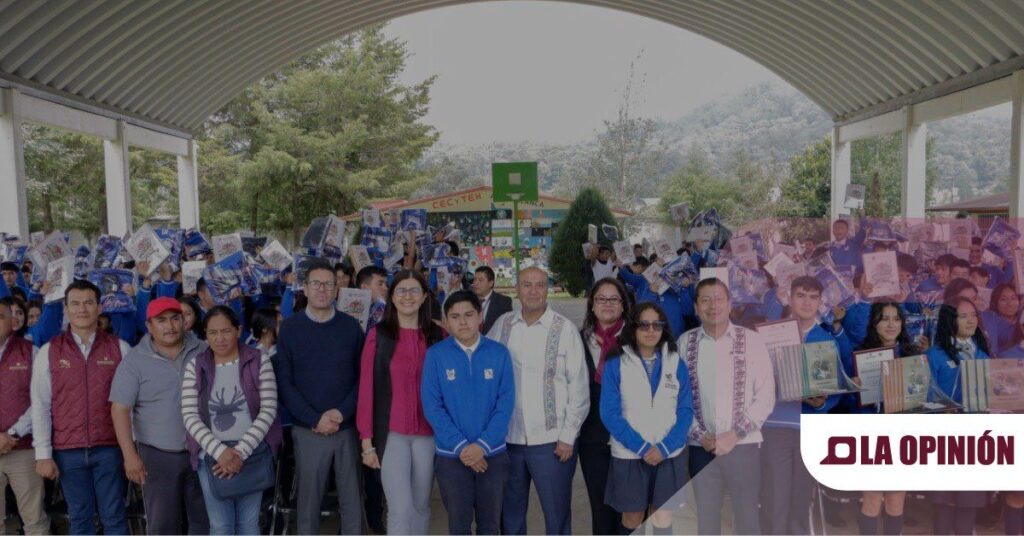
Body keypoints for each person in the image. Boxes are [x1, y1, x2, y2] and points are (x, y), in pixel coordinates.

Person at [488, 267, 588, 534]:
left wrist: (568, 436)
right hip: (509, 440)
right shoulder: (502, 325)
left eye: (540, 285)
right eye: (527, 284)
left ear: (548, 289)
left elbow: (579, 388)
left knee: (556, 514)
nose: (533, 290)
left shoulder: (565, 329)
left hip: (553, 443)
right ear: (517, 289)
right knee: (510, 513)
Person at [31, 280, 131, 535]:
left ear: (99, 307)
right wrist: (43, 453)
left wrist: (132, 448)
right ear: (65, 309)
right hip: (68, 451)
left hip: (109, 448)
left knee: (115, 518)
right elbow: (41, 404)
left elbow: (132, 404)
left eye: (88, 303)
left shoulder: (120, 348)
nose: (82, 309)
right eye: (75, 303)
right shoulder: (49, 351)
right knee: (80, 519)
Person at [274, 259, 365, 535]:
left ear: (337, 288)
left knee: (352, 500)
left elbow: (363, 379)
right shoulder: (290, 329)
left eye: (328, 284)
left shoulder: (351, 327)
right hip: (308, 428)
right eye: (316, 284)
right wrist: (314, 418)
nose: (322, 289)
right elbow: (285, 383)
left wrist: (341, 413)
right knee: (309, 501)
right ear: (305, 288)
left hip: (346, 427)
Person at [681, 278, 775, 535]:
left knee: (746, 518)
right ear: (696, 307)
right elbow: (678, 399)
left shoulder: (752, 341)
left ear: (730, 304)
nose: (713, 306)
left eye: (719, 299)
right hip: (701, 447)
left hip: (743, 445)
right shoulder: (684, 343)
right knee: (707, 519)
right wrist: (701, 435)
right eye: (706, 300)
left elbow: (766, 395)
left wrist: (733, 435)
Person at [110, 297, 209, 534]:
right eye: (161, 320)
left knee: (205, 522)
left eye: (175, 318)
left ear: (185, 320)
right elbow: (120, 409)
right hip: (158, 456)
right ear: (149, 325)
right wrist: (129, 456)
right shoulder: (134, 360)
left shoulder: (204, 350)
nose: (170, 326)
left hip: (204, 452)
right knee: (164, 525)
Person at [761, 276, 851, 535]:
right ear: (789, 298)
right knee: (776, 493)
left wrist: (823, 403)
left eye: (813, 297)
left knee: (802, 494)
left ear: (820, 302)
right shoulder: (773, 333)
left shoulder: (826, 339)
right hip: (776, 423)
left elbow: (837, 386)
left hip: (810, 426)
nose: (807, 302)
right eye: (801, 295)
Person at [356, 270, 444, 535]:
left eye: (414, 290)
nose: (408, 296)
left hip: (429, 434)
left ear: (424, 296)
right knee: (400, 507)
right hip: (391, 435)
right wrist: (366, 441)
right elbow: (367, 388)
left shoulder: (437, 335)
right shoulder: (379, 335)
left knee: (420, 506)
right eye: (401, 291)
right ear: (392, 297)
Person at [421, 290, 515, 535]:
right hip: (452, 457)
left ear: (480, 316)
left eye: (468, 314)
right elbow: (433, 407)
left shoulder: (499, 353)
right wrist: (463, 447)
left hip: (492, 455)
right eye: (455, 316)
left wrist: (481, 446)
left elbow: (505, 405)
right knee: (458, 526)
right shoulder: (435, 356)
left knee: (491, 525)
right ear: (447, 321)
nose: (463, 322)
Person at [182, 306, 281, 535]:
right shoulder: (196, 366)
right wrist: (220, 453)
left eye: (226, 331)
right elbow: (189, 415)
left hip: (252, 453)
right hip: (212, 457)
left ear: (238, 330)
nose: (219, 338)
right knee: (220, 525)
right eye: (212, 333)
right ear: (205, 334)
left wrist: (240, 452)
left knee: (248, 524)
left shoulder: (259, 360)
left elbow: (268, 410)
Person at [600, 302, 693, 535]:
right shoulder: (616, 364)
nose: (651, 331)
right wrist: (642, 447)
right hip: (630, 454)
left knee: (662, 515)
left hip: (668, 453)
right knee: (632, 517)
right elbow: (609, 414)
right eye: (644, 325)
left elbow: (685, 411)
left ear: (663, 329)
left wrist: (664, 447)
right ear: (633, 328)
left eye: (656, 325)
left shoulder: (675, 362)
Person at [925, 297, 992, 535]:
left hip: (976, 436)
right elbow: (924, 396)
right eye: (963, 316)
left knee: (969, 499)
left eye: (973, 315)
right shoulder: (935, 354)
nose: (970, 320)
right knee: (945, 499)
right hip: (945, 437)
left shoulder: (983, 355)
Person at [853, 302, 919, 535]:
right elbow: (852, 406)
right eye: (885, 319)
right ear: (875, 323)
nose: (891, 324)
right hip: (873, 436)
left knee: (895, 501)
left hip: (903, 436)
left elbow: (923, 398)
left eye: (896, 319)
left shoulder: (912, 354)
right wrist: (856, 389)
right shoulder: (862, 354)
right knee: (871, 500)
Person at [578, 277, 628, 535]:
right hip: (592, 439)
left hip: (631, 439)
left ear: (623, 305)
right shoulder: (579, 340)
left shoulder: (639, 338)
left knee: (630, 512)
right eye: (601, 299)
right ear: (592, 305)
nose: (607, 304)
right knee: (600, 509)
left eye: (613, 299)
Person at [0, 298, 49, 535]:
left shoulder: (31, 351)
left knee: (34, 520)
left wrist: (11, 434)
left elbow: (40, 400)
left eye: (1, 316)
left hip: (24, 448)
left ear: (13, 320)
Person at [981, 283, 1021, 354]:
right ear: (995, 302)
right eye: (1003, 299)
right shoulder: (989, 319)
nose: (1010, 304)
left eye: (1013, 298)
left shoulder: (1021, 320)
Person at [471, 266, 513, 334]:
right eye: (475, 279)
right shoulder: (468, 301)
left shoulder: (504, 302)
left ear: (490, 283)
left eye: (480, 280)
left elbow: (506, 329)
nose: (476, 283)